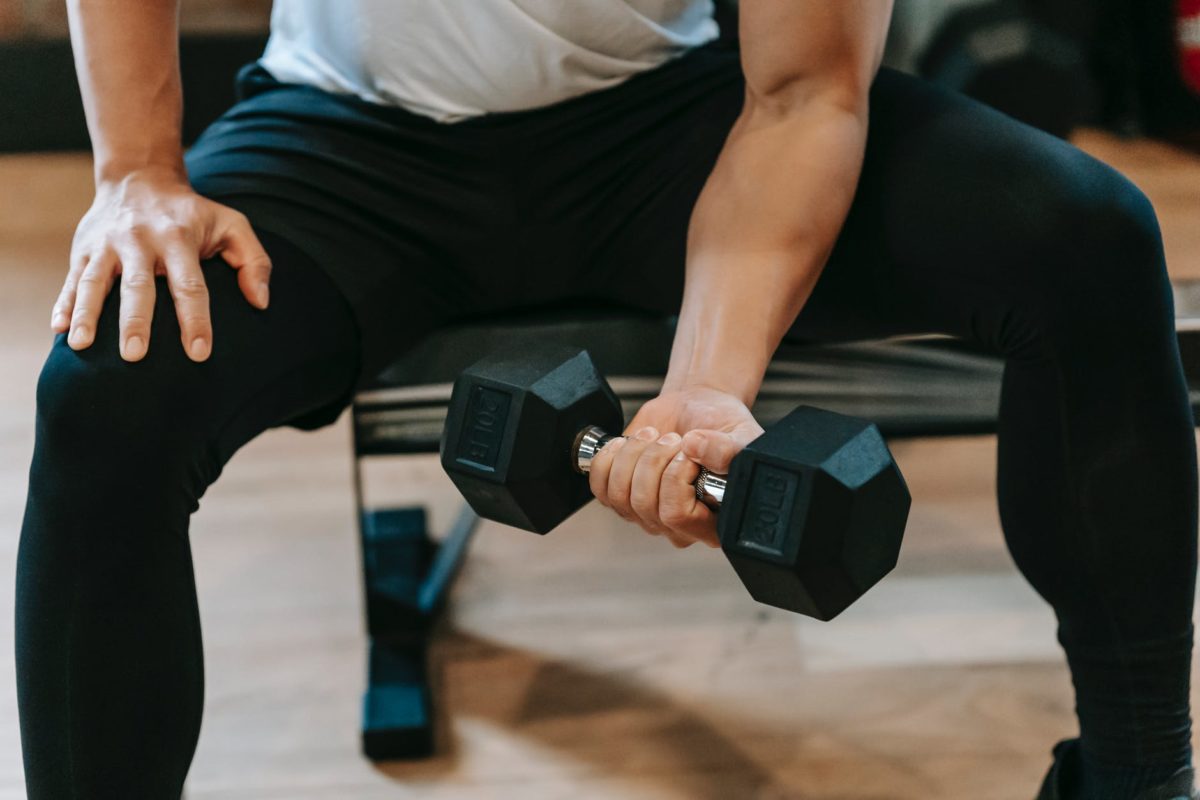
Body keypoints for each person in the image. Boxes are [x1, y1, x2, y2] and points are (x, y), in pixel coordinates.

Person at [16, 1, 1197, 798]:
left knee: (1084, 239)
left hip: (667, 125)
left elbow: (803, 94)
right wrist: (136, 168)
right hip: (347, 141)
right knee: (108, 393)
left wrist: (706, 385)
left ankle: (1138, 769)